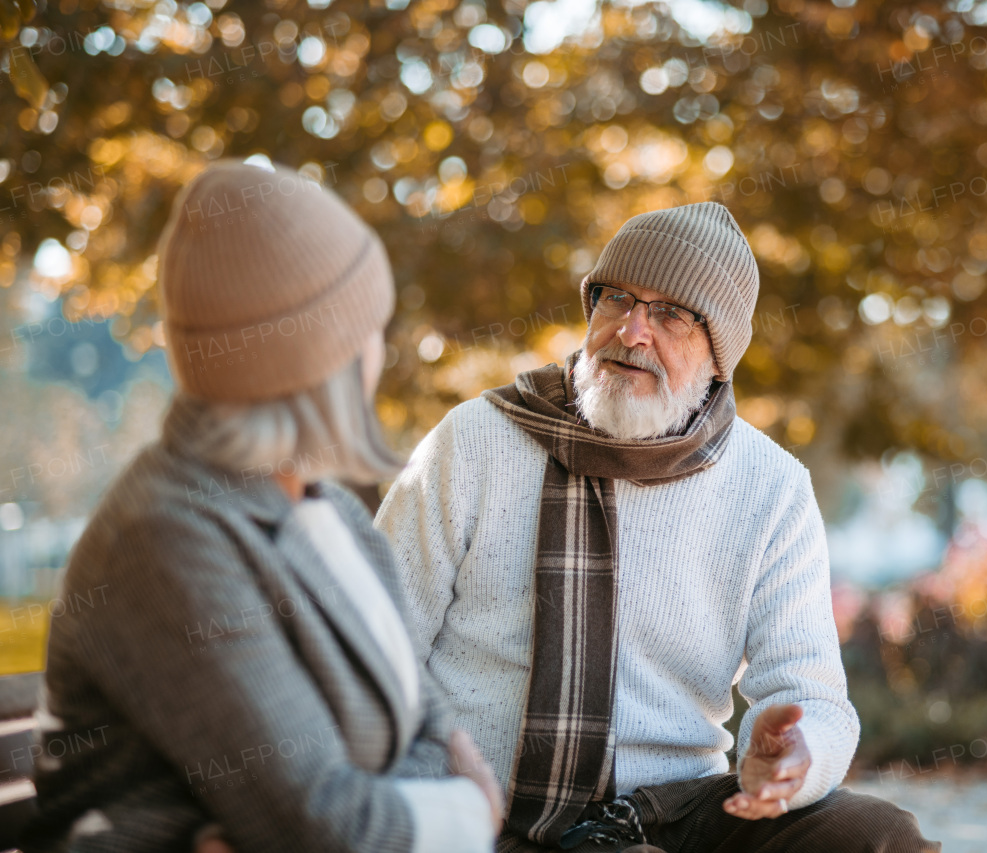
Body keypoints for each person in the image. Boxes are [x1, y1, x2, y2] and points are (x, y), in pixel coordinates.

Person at [376, 202, 940, 852]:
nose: (633, 330)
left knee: (879, 837)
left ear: (719, 355)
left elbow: (811, 692)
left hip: (671, 815)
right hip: (484, 815)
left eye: (672, 313)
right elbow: (370, 645)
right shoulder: (475, 440)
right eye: (617, 297)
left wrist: (794, 760)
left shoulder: (771, 486)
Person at [23, 162, 503, 853]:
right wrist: (466, 816)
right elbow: (317, 825)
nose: (381, 349)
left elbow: (423, 724)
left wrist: (417, 803)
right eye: (369, 327)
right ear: (321, 362)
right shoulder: (165, 536)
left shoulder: (332, 513)